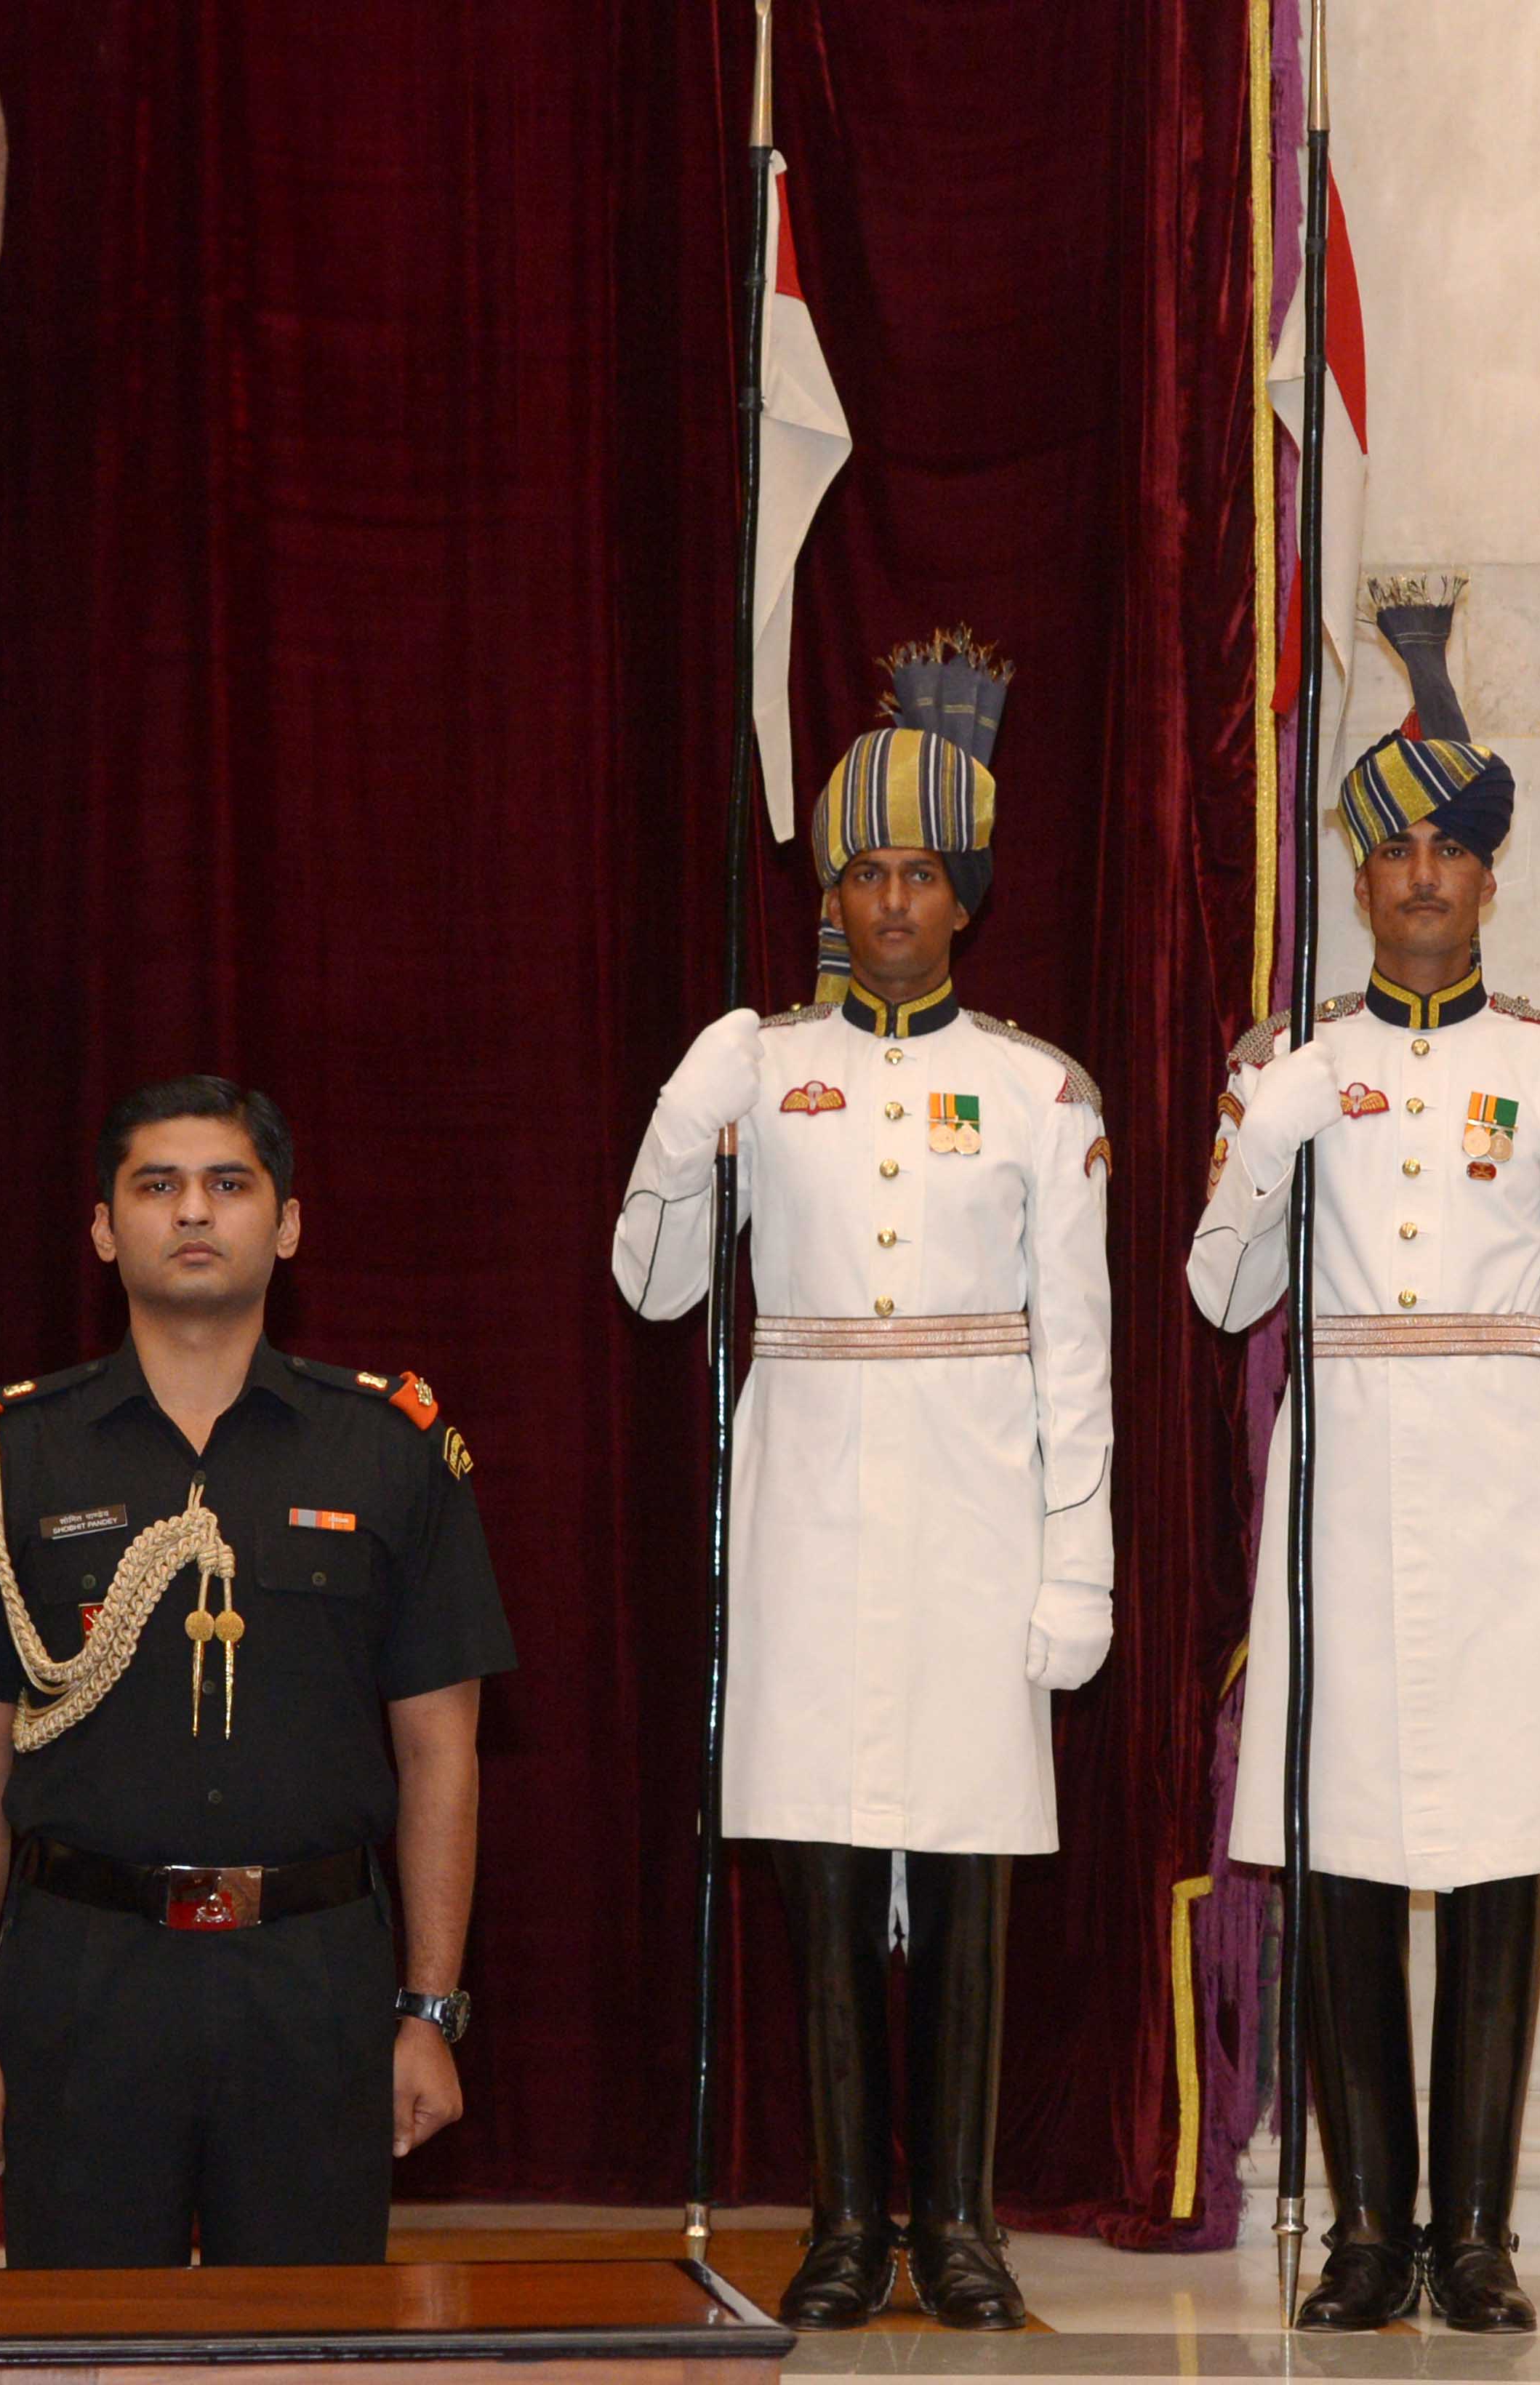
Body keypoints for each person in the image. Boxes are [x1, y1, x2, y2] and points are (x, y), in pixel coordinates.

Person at [614, 633, 1114, 2333]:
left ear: (963, 898)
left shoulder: (1038, 1090)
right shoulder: (759, 1061)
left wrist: (1080, 1564)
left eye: (920, 873)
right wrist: (681, 1135)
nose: (892, 901)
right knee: (823, 1864)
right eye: (866, 871)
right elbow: (656, 1287)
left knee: (968, 1866)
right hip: (813, 1494)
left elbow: (1084, 1352)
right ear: (833, 889)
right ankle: (842, 2217)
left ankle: (960, 2220)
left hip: (981, 1496)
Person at [1192, 585, 1540, 2332]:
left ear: (1489, 876)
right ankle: (1370, 2223)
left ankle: (1480, 2231)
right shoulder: (1296, 1068)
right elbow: (1223, 1290)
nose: (1424, 880)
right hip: (1350, 1474)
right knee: (1345, 1852)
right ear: (1362, 881)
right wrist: (1261, 1131)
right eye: (1394, 856)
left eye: (1453, 851)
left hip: (1506, 1481)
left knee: (1504, 1861)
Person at [0, 1078, 513, 2269]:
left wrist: (428, 2012)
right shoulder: (3, 1460)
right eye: (157, 1186)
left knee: (309, 2348)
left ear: (284, 1224)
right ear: (101, 1227)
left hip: (315, 1975)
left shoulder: (390, 1448)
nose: (194, 1212)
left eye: (228, 1185)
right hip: (82, 1976)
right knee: (78, 2350)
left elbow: (440, 1753)